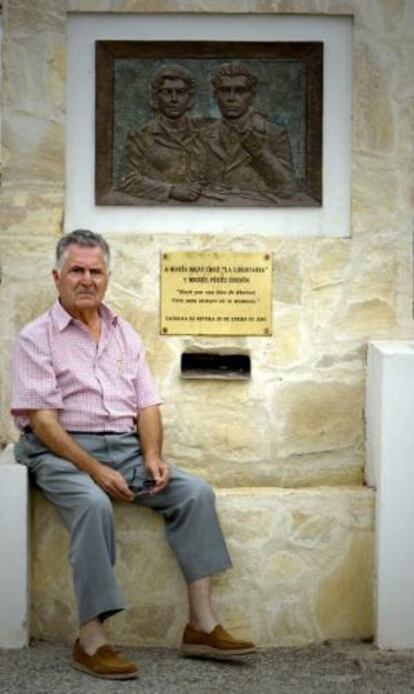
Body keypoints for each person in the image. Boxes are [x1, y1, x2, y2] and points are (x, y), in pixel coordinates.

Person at [11, 229, 256, 680]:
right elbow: (43, 422)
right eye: (76, 270)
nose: (87, 279)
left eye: (95, 271)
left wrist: (152, 456)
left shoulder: (124, 333)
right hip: (60, 450)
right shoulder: (36, 337)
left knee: (194, 493)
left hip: (124, 449)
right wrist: (96, 470)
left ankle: (201, 625)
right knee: (92, 504)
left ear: (106, 278)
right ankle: (91, 640)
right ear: (57, 277)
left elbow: (147, 404)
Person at [203, 62, 296, 203]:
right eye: (224, 90)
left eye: (240, 91)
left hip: (258, 211)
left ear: (252, 96)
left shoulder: (274, 133)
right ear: (215, 96)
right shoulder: (204, 134)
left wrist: (260, 152)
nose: (231, 98)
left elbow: (288, 189)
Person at [117, 66, 209, 203]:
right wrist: (171, 190)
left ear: (190, 98)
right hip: (157, 210)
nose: (174, 99)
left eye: (181, 92)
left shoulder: (205, 132)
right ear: (156, 98)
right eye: (167, 92)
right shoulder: (140, 136)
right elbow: (127, 180)